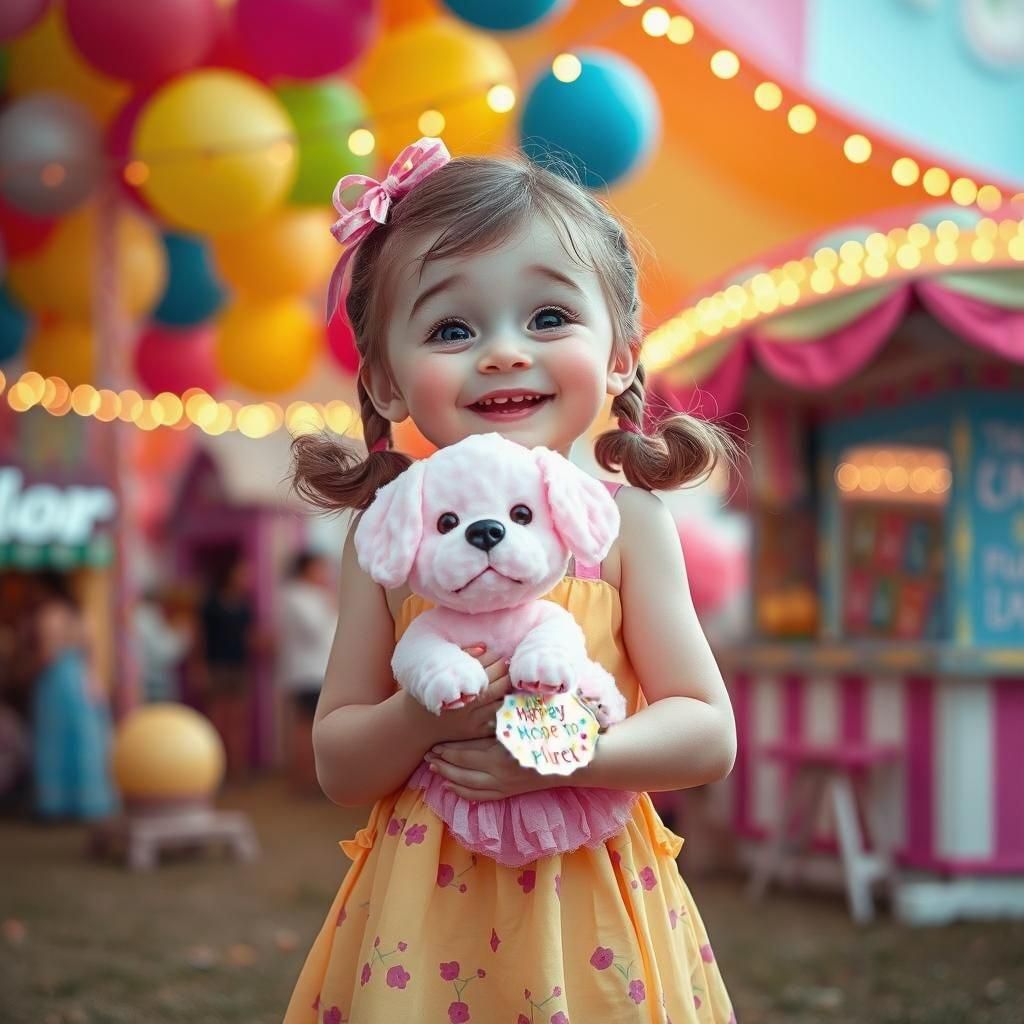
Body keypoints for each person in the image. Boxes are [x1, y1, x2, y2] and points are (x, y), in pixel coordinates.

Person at [284, 138, 739, 1023]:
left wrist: (571, 759)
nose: (501, 353)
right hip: (423, 924)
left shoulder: (628, 526)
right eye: (453, 329)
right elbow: (339, 761)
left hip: (591, 905)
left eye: (547, 318)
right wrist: (424, 713)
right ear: (383, 380)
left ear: (620, 358)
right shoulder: (386, 543)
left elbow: (706, 733)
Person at [29, 572, 116, 821]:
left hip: (57, 679)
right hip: (81, 678)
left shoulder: (48, 614)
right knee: (86, 740)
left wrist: (26, 671)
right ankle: (89, 801)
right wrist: (93, 680)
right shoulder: (80, 614)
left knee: (54, 740)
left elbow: (48, 655)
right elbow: (92, 651)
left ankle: (54, 803)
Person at [278, 550, 336, 792]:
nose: (325, 574)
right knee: (307, 729)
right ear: (307, 569)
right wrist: (330, 601)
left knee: (313, 727)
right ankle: (304, 779)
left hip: (320, 670)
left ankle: (312, 779)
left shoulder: (312, 595)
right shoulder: (296, 595)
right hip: (307, 673)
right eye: (320, 567)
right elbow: (314, 630)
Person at [199, 555, 256, 779]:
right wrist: (199, 665)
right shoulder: (211, 603)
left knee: (238, 722)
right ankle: (216, 769)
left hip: (239, 666)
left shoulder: (245, 603)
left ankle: (237, 770)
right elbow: (200, 637)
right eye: (242, 573)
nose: (246, 578)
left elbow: (248, 635)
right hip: (216, 667)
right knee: (217, 721)